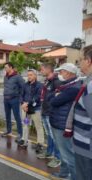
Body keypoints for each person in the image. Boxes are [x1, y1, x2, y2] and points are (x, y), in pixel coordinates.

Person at [49, 63, 81, 180]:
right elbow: (50, 96)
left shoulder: (73, 88)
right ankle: (63, 174)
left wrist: (55, 96)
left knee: (68, 155)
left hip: (62, 124)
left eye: (61, 71)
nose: (59, 74)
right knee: (64, 153)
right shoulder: (65, 85)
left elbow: (54, 101)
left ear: (68, 73)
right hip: (58, 122)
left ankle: (74, 177)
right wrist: (55, 95)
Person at [72, 49, 92, 180]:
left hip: (86, 147)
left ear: (89, 61)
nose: (79, 63)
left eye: (81, 59)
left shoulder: (91, 86)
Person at [37, 63, 61, 168]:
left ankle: (58, 158)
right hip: (44, 111)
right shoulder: (47, 81)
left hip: (51, 113)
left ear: (48, 69)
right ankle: (49, 152)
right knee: (49, 135)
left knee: (55, 137)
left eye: (42, 69)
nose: (40, 71)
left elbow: (58, 99)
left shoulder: (57, 82)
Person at [19, 69, 44, 153]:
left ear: (35, 76)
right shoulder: (25, 85)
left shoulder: (39, 85)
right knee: (25, 124)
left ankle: (40, 143)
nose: (29, 77)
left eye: (31, 75)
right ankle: (24, 140)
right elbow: (21, 95)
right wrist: (22, 104)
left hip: (35, 109)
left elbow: (37, 97)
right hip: (25, 109)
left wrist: (27, 104)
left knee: (38, 126)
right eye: (28, 75)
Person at [2, 62, 24, 142]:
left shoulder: (17, 77)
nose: (5, 69)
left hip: (14, 99)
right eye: (4, 68)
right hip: (6, 99)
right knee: (7, 116)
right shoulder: (5, 77)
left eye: (6, 67)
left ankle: (20, 133)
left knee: (17, 116)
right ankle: (8, 131)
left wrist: (20, 98)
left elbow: (23, 87)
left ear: (11, 67)